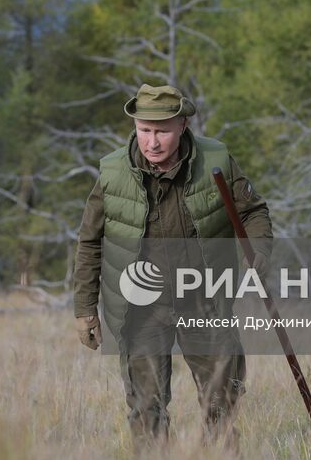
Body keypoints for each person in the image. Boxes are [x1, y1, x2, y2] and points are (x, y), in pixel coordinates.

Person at [72, 83, 272, 448]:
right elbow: (89, 242)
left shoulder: (217, 162)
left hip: (204, 301)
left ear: (182, 125)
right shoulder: (113, 174)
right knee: (146, 409)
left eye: (162, 130)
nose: (152, 142)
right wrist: (85, 309)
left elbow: (253, 210)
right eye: (144, 130)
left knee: (221, 402)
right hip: (141, 309)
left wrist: (257, 249)